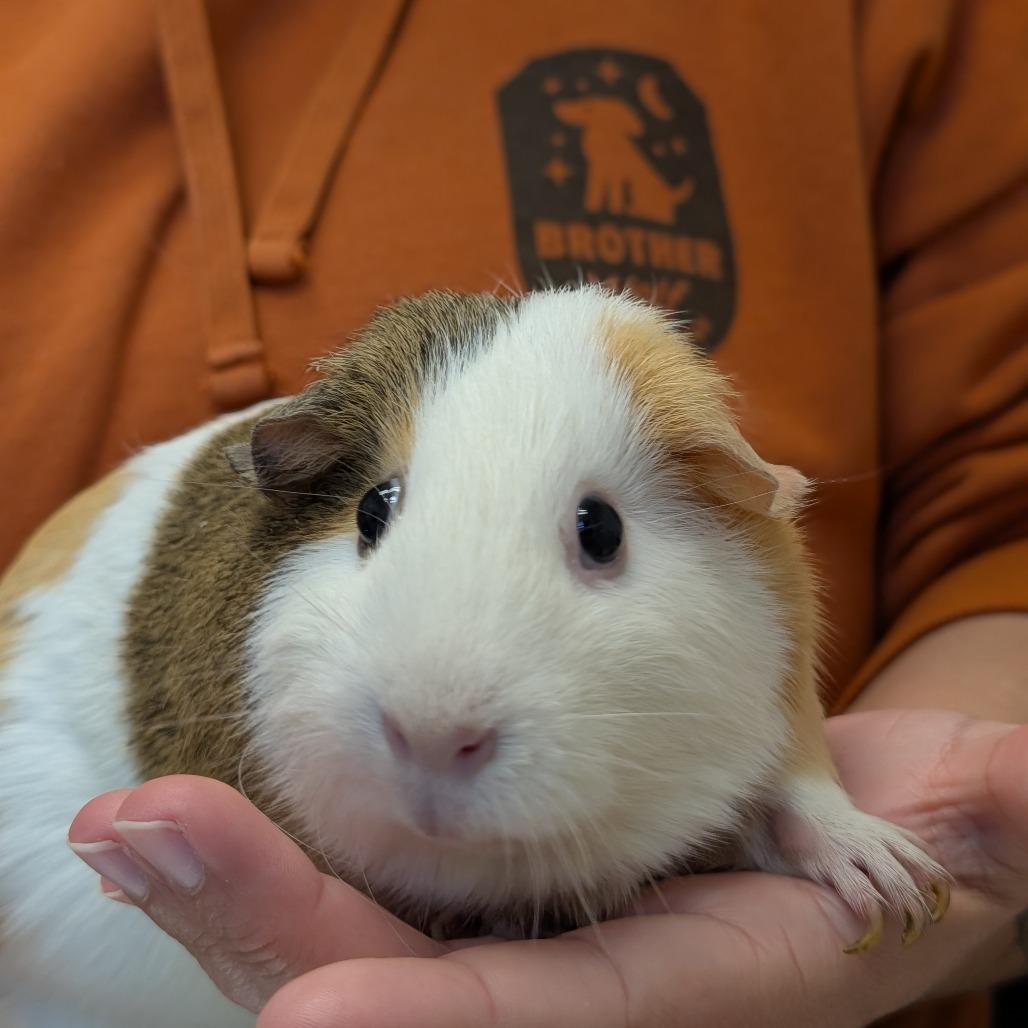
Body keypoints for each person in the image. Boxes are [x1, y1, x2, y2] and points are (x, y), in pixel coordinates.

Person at [2, 1, 1026, 1024]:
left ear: (730, 491)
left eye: (596, 535)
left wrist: (806, 799)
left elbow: (996, 517)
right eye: (377, 515)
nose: (435, 719)